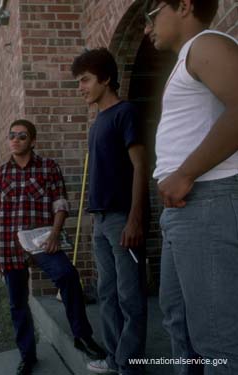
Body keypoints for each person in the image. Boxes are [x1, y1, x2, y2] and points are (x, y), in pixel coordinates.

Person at [144, 0, 238, 373]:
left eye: (151, 16)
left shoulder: (207, 45)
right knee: (180, 323)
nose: (147, 28)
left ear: (183, 5)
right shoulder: (189, 56)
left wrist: (185, 174)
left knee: (219, 342)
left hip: (207, 202)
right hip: (187, 212)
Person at [0, 119, 105, 375]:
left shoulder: (48, 168)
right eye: (12, 135)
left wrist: (55, 232)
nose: (16, 139)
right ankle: (27, 355)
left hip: (41, 241)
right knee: (17, 303)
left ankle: (81, 336)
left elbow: (60, 203)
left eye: (22, 136)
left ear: (32, 141)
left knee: (68, 276)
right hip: (9, 244)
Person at [72, 48, 149, 375]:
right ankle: (116, 360)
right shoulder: (97, 122)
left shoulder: (125, 113)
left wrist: (134, 218)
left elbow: (141, 167)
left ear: (105, 78)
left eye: (86, 80)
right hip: (100, 219)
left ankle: (131, 365)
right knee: (107, 293)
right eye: (79, 81)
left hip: (121, 218)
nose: (81, 87)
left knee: (130, 296)